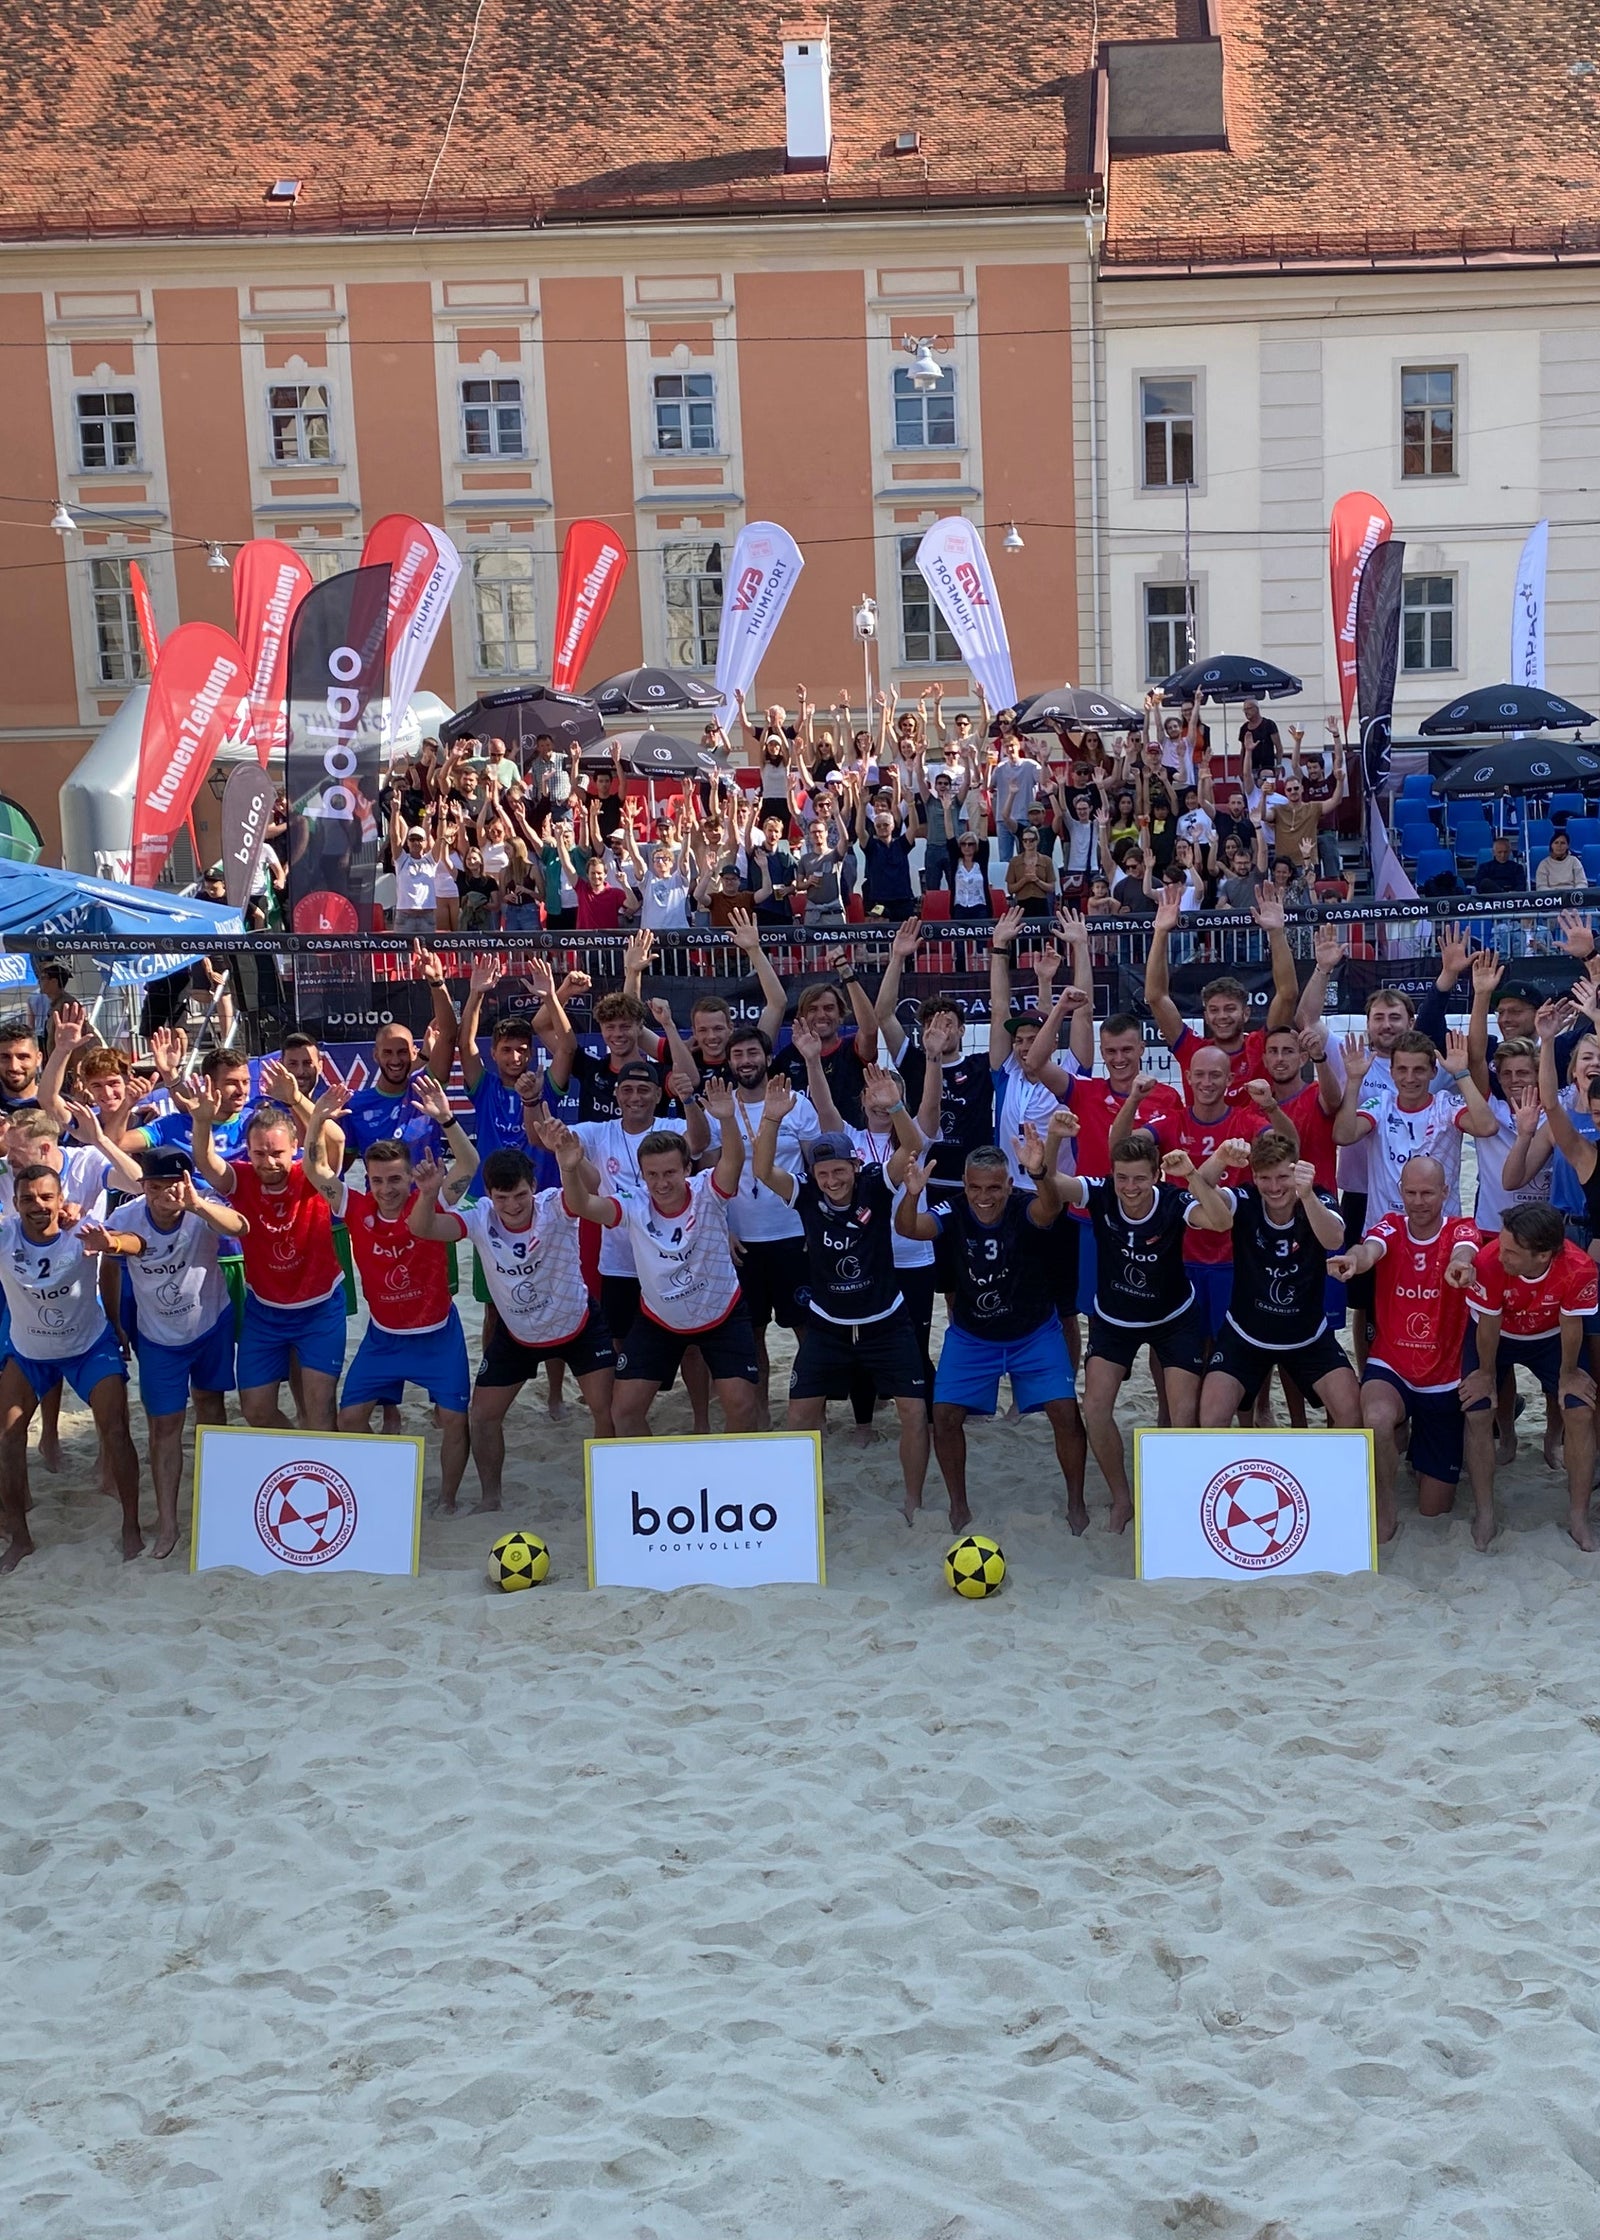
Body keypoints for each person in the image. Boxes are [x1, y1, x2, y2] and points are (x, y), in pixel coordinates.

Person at [752, 1078, 930, 1521]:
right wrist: (772, 1118)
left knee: (913, 1411)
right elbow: (761, 1170)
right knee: (799, 1417)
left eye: (839, 1171)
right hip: (828, 1325)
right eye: (823, 1173)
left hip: (885, 1321)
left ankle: (913, 1499)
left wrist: (895, 1108)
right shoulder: (807, 1192)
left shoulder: (875, 1184)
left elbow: (911, 1148)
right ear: (813, 1174)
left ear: (855, 1165)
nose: (831, 1180)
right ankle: (802, 1501)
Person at [896, 1122, 1087, 1535]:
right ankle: (959, 1507)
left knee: (1066, 1413)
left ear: (1008, 1183)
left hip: (1033, 1331)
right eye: (976, 1188)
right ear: (964, 1182)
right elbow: (909, 1229)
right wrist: (912, 1195)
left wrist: (1039, 1174)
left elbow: (1050, 1207)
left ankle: (1076, 1502)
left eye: (994, 1188)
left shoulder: (1024, 1203)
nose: (984, 1197)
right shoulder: (953, 1207)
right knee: (944, 1415)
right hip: (972, 1335)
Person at [411, 1136, 619, 1511]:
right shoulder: (480, 1215)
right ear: (490, 1193)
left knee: (607, 1409)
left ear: (533, 1188)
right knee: (483, 1416)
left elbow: (586, 1192)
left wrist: (570, 1164)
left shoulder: (554, 1205)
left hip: (577, 1325)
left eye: (520, 1195)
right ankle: (492, 1497)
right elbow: (424, 1229)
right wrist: (427, 1195)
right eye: (502, 1198)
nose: (512, 1206)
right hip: (518, 1334)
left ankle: (608, 1490)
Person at [302, 1082, 479, 1512]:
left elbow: (470, 1164)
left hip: (438, 1334)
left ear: (409, 1175)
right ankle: (384, 1482)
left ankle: (448, 1501)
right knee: (349, 1419)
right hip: (384, 1338)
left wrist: (447, 1120)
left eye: (395, 1178)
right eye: (378, 1180)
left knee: (455, 1421)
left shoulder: (429, 1200)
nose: (386, 1188)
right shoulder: (357, 1207)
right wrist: (316, 1121)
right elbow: (316, 1170)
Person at [558, 1079, 761, 1436]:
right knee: (624, 1411)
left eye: (669, 1173)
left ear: (687, 1170)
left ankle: (732, 1479)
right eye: (652, 1175)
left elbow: (734, 1158)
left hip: (721, 1315)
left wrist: (727, 1119)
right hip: (660, 1321)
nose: (661, 1183)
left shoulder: (707, 1191)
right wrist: (570, 1168)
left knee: (743, 1405)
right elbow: (581, 1205)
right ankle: (651, 1478)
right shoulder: (634, 1202)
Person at [1053, 1135, 1231, 1532]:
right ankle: (1122, 1499)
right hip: (1115, 1318)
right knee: (1095, 1407)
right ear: (1112, 1175)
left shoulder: (1171, 1199)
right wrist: (1047, 1147)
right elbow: (1053, 1183)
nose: (1130, 1188)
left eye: (1139, 1179)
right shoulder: (1099, 1193)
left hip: (1174, 1317)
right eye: (1122, 1178)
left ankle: (1180, 1495)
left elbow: (1221, 1221)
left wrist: (1193, 1178)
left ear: (1156, 1175)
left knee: (1183, 1415)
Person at [80, 1149, 248, 1560]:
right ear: (143, 1187)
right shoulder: (127, 1215)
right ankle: (169, 1522)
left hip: (210, 1323)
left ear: (185, 1180)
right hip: (157, 1335)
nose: (163, 1195)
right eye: (154, 1187)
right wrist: (116, 1320)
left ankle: (218, 1502)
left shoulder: (202, 1201)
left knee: (211, 1408)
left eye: (171, 1185)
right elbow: (114, 1257)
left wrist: (197, 1204)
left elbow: (240, 1227)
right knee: (164, 1426)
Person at [1327, 1155, 1481, 1542]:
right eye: (1410, 1192)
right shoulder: (1391, 1226)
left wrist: (1461, 1266)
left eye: (1427, 1192)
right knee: (1376, 1415)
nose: (1418, 1201)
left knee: (1435, 1507)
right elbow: (1369, 1250)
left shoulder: (1461, 1229)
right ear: (1400, 1193)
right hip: (1392, 1367)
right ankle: (1385, 1508)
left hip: (1443, 1379)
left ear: (1445, 1193)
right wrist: (1353, 1261)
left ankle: (1419, 1452)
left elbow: (1467, 1252)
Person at [0, 1164, 142, 1570]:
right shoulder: (6, 1234)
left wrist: (110, 1241)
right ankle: (21, 1537)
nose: (38, 1206)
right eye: (28, 1198)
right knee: (8, 1438)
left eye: (47, 1197)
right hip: (29, 1352)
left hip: (87, 1345)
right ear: (16, 1203)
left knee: (116, 1428)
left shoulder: (82, 1229)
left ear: (61, 1199)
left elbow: (134, 1245)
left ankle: (130, 1527)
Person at [191, 1092, 347, 1430]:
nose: (269, 1162)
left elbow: (337, 1142)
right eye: (259, 1153)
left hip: (320, 1308)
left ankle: (322, 1469)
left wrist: (302, 1105)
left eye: (277, 1153)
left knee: (320, 1411)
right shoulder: (243, 1177)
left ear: (295, 1148)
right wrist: (202, 1120)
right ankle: (297, 1451)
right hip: (265, 1311)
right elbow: (206, 1162)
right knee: (256, 1411)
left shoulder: (312, 1175)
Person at [1115, 1042, 1289, 1339]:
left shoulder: (1244, 1120)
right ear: (1188, 1076)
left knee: (1237, 1346)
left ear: (1230, 1079)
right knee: (1176, 1344)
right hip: (1179, 1253)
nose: (1207, 1083)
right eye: (1200, 1075)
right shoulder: (1172, 1121)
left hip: (1233, 1255)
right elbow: (1119, 1148)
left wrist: (1271, 1106)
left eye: (1215, 1075)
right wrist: (1132, 1101)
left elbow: (1289, 1147)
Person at [1195, 1132, 1360, 1428]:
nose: (1274, 1187)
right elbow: (1200, 1187)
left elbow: (1334, 1238)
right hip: (1246, 1334)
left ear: (1296, 1171)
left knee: (1351, 1412)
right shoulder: (1245, 1198)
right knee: (1210, 1418)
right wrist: (1220, 1157)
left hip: (1307, 1335)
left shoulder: (1317, 1197)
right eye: (1265, 1178)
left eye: (1283, 1177)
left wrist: (1306, 1195)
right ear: (1255, 1177)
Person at [1462, 1203, 1599, 1549]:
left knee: (1580, 1410)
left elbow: (1572, 1324)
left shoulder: (1579, 1267)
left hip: (1551, 1336)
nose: (1500, 1253)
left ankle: (1579, 1516)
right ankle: (1485, 1512)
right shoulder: (1489, 1260)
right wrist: (1486, 1374)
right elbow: (1488, 1326)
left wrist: (1568, 1374)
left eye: (1512, 1251)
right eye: (1502, 1244)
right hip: (1497, 1333)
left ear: (1543, 1256)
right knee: (1478, 1410)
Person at [1143, 883, 1299, 1103]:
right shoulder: (1193, 1050)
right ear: (1206, 1016)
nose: (1222, 1016)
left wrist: (1276, 932)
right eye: (1214, 1010)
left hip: (1255, 1136)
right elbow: (1156, 997)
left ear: (1246, 1013)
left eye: (1230, 1009)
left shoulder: (1260, 1046)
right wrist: (1160, 933)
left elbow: (1288, 994)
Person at [1332, 1028, 1497, 1229]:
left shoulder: (1446, 1106)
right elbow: (1342, 1135)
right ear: (1391, 1071)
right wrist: (1355, 1080)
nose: (1410, 1078)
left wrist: (1461, 1074)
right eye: (1402, 1069)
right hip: (1385, 1233)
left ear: (1433, 1072)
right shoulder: (1379, 1106)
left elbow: (1487, 1127)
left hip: (1442, 1232)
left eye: (1419, 1070)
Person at [1537, 828, 1589, 893]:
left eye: (1563, 843)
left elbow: (1582, 883)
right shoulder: (1544, 864)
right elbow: (1541, 887)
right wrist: (1556, 894)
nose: (1559, 846)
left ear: (1567, 846)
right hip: (1552, 897)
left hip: (1572, 895)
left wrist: (1573, 892)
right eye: (1556, 843)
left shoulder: (1574, 861)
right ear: (1551, 846)